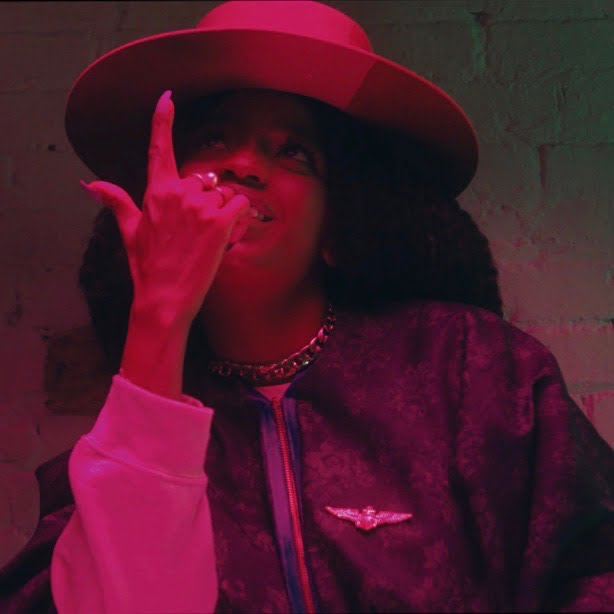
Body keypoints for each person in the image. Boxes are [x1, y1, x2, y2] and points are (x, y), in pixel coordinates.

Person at [1, 1, 613, 612]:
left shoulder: (471, 367)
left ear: (338, 226)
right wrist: (158, 313)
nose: (242, 165)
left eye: (295, 151)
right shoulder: (128, 435)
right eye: (212, 139)